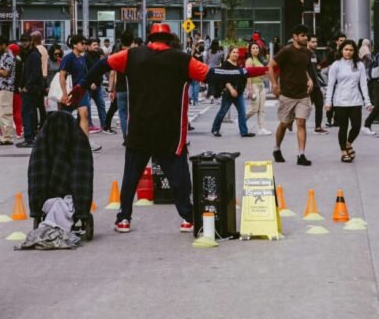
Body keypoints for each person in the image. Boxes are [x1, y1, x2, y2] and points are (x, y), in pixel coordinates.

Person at [77, 23, 264, 234]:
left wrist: (82, 84)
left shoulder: (131, 55)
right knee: (179, 177)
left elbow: (102, 64)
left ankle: (124, 218)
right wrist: (251, 71)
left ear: (150, 38)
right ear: (170, 39)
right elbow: (214, 75)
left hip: (139, 127)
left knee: (131, 176)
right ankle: (187, 218)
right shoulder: (182, 60)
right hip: (170, 129)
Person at [271, 25, 315, 166]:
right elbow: (270, 66)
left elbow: (304, 69)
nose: (305, 38)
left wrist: (309, 79)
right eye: (302, 35)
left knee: (301, 123)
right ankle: (277, 148)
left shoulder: (308, 52)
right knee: (284, 124)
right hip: (287, 94)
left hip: (303, 94)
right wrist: (274, 84)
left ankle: (301, 155)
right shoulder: (286, 51)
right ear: (295, 36)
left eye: (306, 35)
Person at [325, 39, 372, 163]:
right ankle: (343, 151)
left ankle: (348, 143)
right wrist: (328, 102)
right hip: (340, 101)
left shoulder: (359, 65)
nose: (348, 52)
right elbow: (330, 84)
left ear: (354, 51)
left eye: (351, 50)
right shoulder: (336, 65)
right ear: (341, 50)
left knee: (356, 126)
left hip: (355, 100)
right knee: (343, 127)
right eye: (346, 49)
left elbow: (363, 85)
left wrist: (367, 102)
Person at [58, 35, 100, 150]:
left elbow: (85, 73)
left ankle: (85, 142)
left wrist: (89, 83)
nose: (84, 45)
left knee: (84, 115)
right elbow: (62, 76)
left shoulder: (82, 58)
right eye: (82, 43)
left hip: (81, 90)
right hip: (71, 91)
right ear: (75, 45)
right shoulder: (68, 58)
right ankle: (63, 141)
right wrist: (64, 93)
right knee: (66, 117)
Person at [211, 46, 254, 138]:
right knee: (223, 111)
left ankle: (244, 132)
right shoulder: (225, 64)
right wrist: (231, 89)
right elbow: (224, 78)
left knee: (242, 112)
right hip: (229, 92)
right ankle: (215, 129)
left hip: (238, 92)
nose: (235, 54)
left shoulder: (238, 65)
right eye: (233, 52)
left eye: (237, 52)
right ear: (229, 54)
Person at [18, 32, 47, 148]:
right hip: (32, 88)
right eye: (22, 41)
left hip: (31, 89)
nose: (23, 43)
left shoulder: (33, 55)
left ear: (31, 42)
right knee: (31, 112)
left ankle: (29, 137)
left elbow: (34, 73)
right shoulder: (29, 54)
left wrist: (26, 86)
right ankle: (30, 136)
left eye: (26, 41)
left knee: (28, 113)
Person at [104, 31, 135, 138]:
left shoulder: (117, 55)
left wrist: (111, 89)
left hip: (121, 88)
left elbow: (112, 73)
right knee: (133, 114)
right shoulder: (135, 54)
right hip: (133, 88)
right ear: (132, 41)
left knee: (123, 114)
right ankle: (133, 136)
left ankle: (126, 137)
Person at [0, 34, 16, 146]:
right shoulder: (5, 56)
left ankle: (7, 137)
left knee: (5, 112)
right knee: (1, 112)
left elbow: (5, 73)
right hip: (2, 87)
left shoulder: (8, 57)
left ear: (4, 45)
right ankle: (4, 135)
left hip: (6, 87)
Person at [245, 41, 271, 136]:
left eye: (256, 48)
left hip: (261, 85)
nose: (255, 49)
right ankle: (241, 120)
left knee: (262, 109)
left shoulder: (259, 60)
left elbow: (261, 73)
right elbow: (248, 74)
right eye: (253, 48)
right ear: (250, 50)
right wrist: (249, 88)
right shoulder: (249, 60)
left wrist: (264, 75)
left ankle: (262, 128)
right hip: (254, 86)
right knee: (254, 108)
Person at [85, 38, 110, 133]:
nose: (96, 46)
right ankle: (89, 125)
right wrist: (90, 82)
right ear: (89, 46)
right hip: (89, 85)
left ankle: (104, 124)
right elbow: (86, 70)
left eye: (97, 45)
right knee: (87, 106)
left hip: (98, 84)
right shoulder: (86, 56)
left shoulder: (97, 55)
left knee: (101, 104)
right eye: (94, 45)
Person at [307, 35, 328, 134]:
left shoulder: (314, 54)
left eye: (316, 42)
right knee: (305, 108)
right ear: (307, 42)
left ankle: (318, 127)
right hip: (307, 85)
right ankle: (290, 120)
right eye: (313, 42)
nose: (315, 44)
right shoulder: (305, 53)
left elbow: (316, 67)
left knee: (319, 104)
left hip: (316, 84)